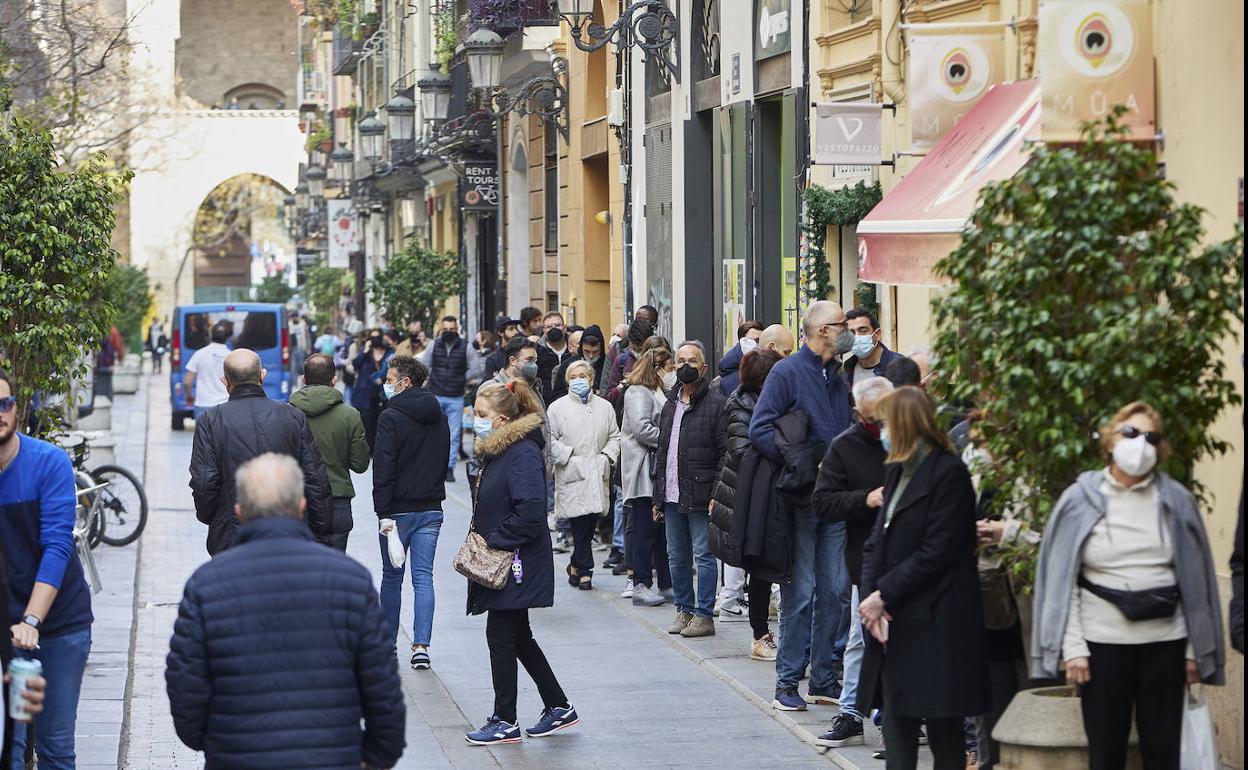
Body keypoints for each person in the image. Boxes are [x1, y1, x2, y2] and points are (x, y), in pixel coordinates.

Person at [167, 453, 406, 769]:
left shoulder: (206, 586)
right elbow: (382, 684)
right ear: (301, 506)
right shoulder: (351, 582)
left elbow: (185, 684)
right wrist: (374, 756)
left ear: (239, 511)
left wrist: (213, 740)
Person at [1032, 401, 1225, 770]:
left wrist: (1191, 652)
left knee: (1163, 752)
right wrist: (1073, 648)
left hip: (1165, 645)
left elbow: (1193, 582)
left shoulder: (1176, 501)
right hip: (1102, 647)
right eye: (1131, 433)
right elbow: (1063, 580)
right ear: (1109, 441)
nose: (1140, 445)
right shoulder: (1079, 499)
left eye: (1151, 437)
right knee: (1105, 753)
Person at [856, 386, 991, 770]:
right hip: (895, 622)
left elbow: (939, 551)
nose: (878, 431)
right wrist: (872, 602)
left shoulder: (949, 472)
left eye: (884, 423)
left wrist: (883, 595)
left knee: (943, 728)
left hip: (938, 620)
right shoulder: (897, 469)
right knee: (897, 724)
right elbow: (876, 542)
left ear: (904, 425)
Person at [749, 300, 854, 711]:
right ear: (823, 331)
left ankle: (824, 678)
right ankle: (787, 683)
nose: (848, 330)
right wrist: (801, 460)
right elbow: (760, 428)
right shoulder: (787, 372)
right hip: (802, 500)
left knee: (836, 591)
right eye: (842, 324)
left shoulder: (838, 373)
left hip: (836, 500)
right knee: (803, 591)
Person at [465, 381, 578, 745]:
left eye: (481, 415)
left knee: (500, 636)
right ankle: (559, 706)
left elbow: (530, 512)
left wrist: (492, 541)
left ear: (501, 419)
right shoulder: (501, 450)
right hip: (511, 558)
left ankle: (505, 720)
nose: (476, 421)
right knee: (519, 637)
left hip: (516, 561)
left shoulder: (521, 452)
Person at [0, 367, 91, 770]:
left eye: (4, 403)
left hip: (58, 623)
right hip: (7, 626)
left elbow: (57, 544)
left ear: (16, 408)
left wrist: (32, 619)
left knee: (54, 745)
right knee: (10, 746)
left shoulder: (47, 462)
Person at [810, 376, 894, 748]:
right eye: (876, 418)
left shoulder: (910, 441)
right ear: (859, 414)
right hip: (867, 556)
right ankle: (851, 712)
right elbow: (824, 502)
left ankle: (899, 715)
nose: (883, 427)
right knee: (861, 636)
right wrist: (865, 499)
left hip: (909, 555)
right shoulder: (844, 448)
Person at [189, 348, 333, 554]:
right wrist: (321, 533)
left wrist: (213, 517)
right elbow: (315, 479)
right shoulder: (292, 416)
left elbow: (204, 482)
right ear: (262, 376)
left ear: (225, 382)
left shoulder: (211, 421)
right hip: (288, 534)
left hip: (230, 536)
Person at [372, 356, 450, 671]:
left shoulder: (390, 417)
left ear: (405, 382)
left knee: (392, 577)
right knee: (423, 577)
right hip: (430, 507)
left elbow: (383, 467)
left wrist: (382, 511)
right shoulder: (439, 416)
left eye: (390, 378)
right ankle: (421, 647)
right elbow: (443, 460)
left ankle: (388, 644)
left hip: (398, 510)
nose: (386, 384)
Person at [710, 349, 785, 660]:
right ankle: (759, 634)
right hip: (749, 496)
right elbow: (741, 450)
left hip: (770, 493)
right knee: (759, 566)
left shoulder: (774, 402)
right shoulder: (741, 405)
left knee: (769, 566)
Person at [653, 341, 728, 639]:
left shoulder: (716, 403)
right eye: (680, 360)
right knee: (676, 554)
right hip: (672, 492)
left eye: (692, 361)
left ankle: (704, 615)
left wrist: (715, 492)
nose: (686, 365)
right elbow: (662, 450)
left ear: (704, 368)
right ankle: (684, 608)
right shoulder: (670, 404)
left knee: (704, 554)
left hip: (700, 492)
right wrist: (658, 494)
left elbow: (725, 453)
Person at [547, 361, 621, 591]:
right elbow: (549, 440)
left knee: (589, 525)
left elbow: (615, 437)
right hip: (572, 472)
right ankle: (586, 571)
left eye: (583, 375)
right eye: (574, 376)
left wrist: (606, 458)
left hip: (598, 473)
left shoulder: (605, 407)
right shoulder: (557, 408)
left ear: (591, 378)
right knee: (579, 524)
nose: (579, 379)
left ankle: (575, 565)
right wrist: (568, 457)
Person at [290, 354, 370, 551]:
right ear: (334, 381)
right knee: (334, 571)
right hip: (337, 501)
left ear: (303, 379)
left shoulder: (287, 413)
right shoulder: (350, 415)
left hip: (298, 500)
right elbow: (360, 464)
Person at [622, 347, 676, 607]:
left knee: (661, 532)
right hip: (645, 471)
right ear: (657, 369)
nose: (673, 372)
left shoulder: (657, 392)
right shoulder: (638, 393)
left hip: (657, 471)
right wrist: (673, 440)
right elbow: (642, 429)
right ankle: (641, 584)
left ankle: (666, 583)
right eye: (670, 367)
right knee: (645, 530)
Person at [416, 316, 482, 482]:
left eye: (452, 329)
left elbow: (476, 369)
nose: (449, 332)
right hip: (436, 395)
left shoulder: (465, 346)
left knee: (453, 434)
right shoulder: (434, 345)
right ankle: (433, 467)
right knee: (432, 432)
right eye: (446, 329)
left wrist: (462, 378)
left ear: (456, 329)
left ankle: (449, 468)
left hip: (456, 397)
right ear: (441, 329)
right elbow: (424, 365)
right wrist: (431, 378)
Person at [352, 330, 393, 449]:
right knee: (367, 421)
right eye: (372, 337)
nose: (375, 339)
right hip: (366, 394)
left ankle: (379, 447)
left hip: (383, 393)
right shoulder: (366, 354)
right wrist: (365, 350)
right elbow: (356, 364)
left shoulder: (389, 353)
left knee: (381, 421)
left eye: (377, 337)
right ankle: (369, 448)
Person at [184, 321, 232, 422]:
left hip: (203, 404)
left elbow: (188, 381)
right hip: (225, 405)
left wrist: (189, 397)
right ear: (227, 337)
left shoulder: (199, 354)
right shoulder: (231, 356)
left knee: (203, 437)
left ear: (211, 335)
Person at [843, 309, 903, 389]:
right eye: (851, 333)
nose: (857, 337)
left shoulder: (899, 366)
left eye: (863, 331)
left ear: (877, 334)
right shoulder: (847, 369)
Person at [604, 318, 654, 404]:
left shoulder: (658, 359)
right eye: (634, 349)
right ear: (629, 341)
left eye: (642, 349)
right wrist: (619, 389)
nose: (638, 353)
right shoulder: (622, 361)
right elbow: (608, 397)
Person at [552, 325, 607, 401]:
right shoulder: (568, 364)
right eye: (587, 351)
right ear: (581, 348)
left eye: (595, 352)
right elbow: (557, 394)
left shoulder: (607, 364)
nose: (591, 356)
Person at [715, 320, 764, 397]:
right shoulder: (722, 380)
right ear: (741, 342)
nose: (756, 345)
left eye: (759, 341)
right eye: (750, 341)